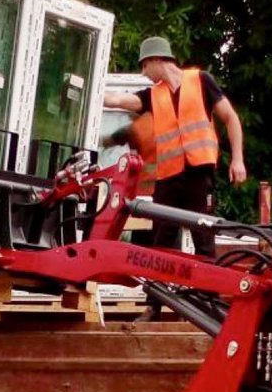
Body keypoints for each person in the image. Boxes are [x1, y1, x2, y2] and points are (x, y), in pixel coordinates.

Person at [102, 36, 247, 256]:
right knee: (161, 238)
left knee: (204, 236)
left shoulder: (201, 81)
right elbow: (117, 101)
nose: (143, 73)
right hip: (169, 178)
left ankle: (206, 291)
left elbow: (231, 118)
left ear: (156, 59)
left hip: (199, 173)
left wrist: (237, 160)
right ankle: (156, 290)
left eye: (144, 65)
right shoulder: (152, 95)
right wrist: (88, 88)